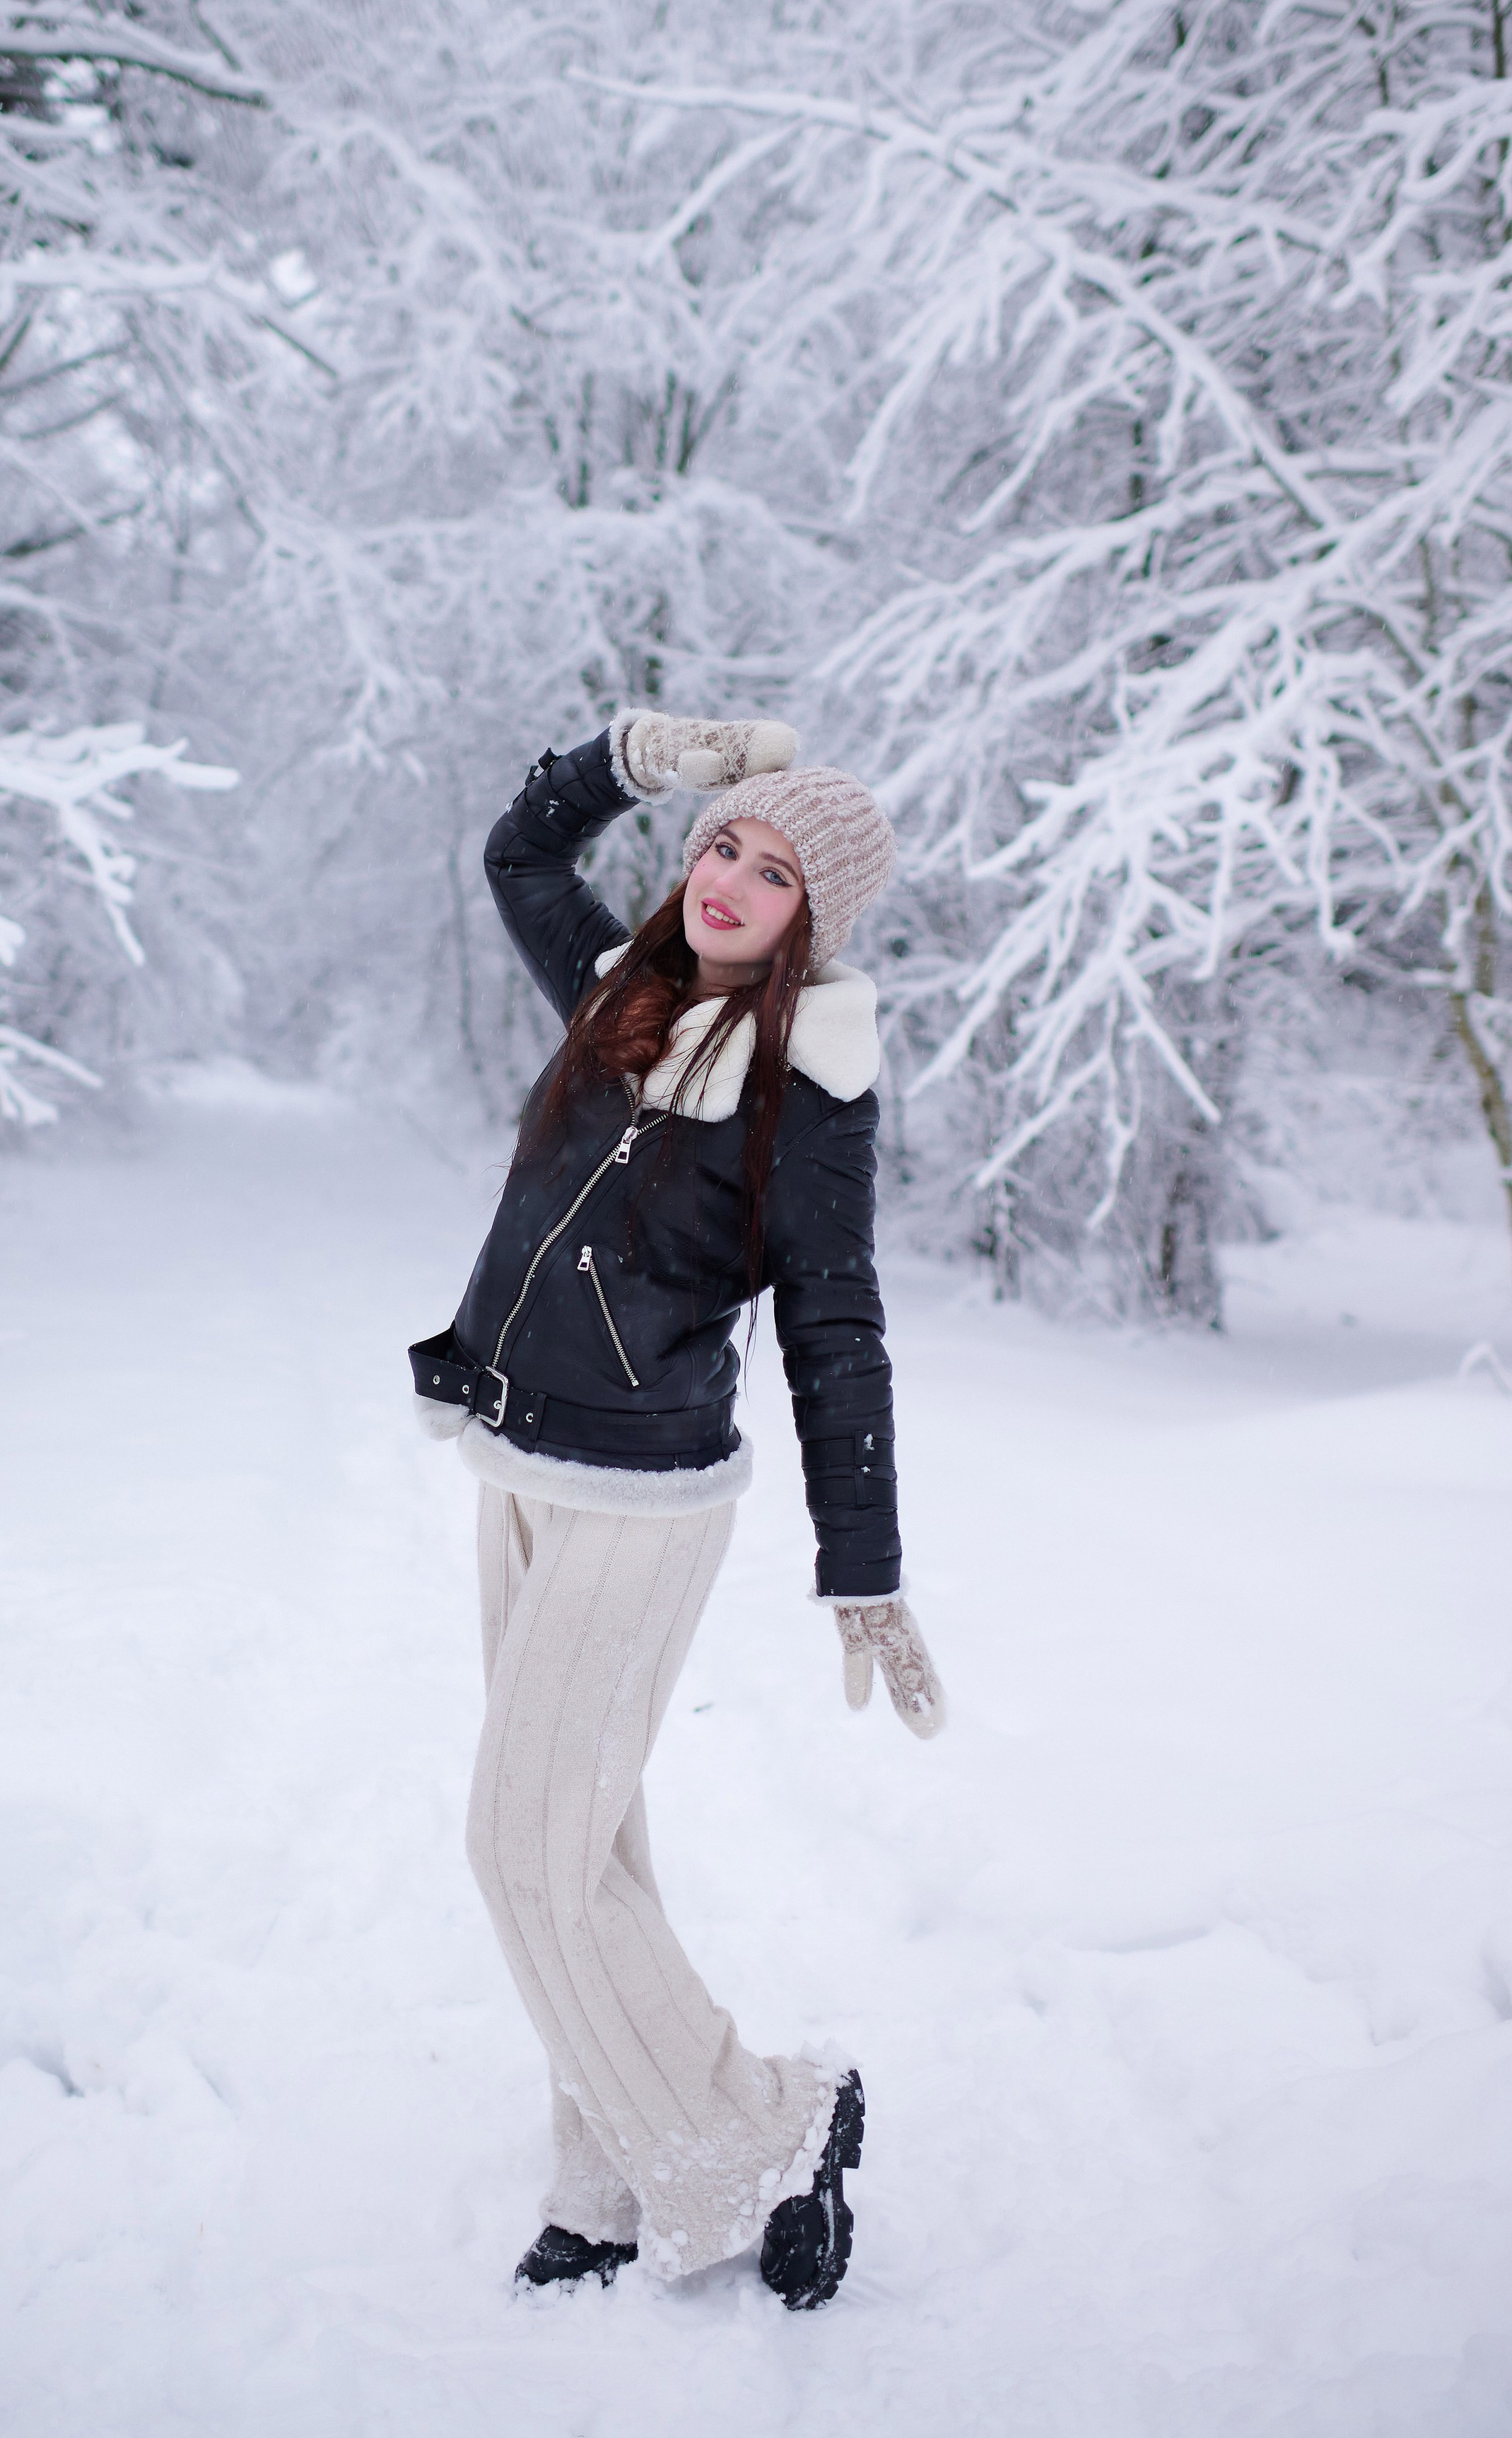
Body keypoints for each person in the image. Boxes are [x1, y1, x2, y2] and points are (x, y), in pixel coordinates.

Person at [409, 711, 945, 2311]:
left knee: (519, 1845)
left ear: (808, 920)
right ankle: (607, 2172)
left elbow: (834, 1326)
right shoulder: (616, 996)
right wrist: (637, 756)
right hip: (517, 1463)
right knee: (588, 1845)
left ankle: (770, 2123)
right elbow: (518, 849)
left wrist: (864, 1562)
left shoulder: (802, 1087)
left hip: (641, 1499)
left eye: (771, 871)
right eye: (724, 843)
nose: (727, 878)